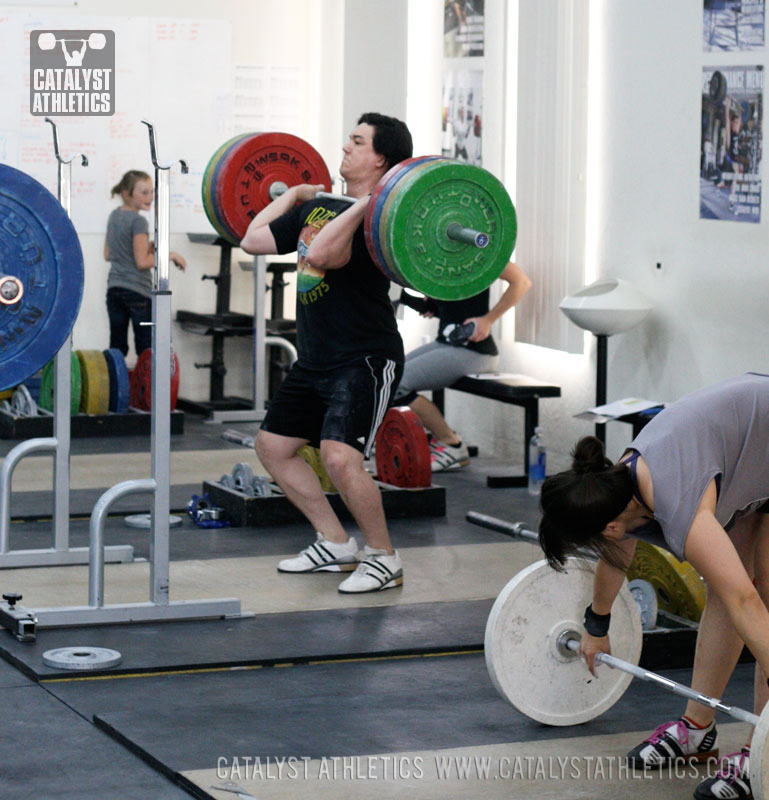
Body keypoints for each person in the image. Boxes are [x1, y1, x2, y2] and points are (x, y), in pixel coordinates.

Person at [538, 373, 769, 800]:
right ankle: (698, 728)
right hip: (749, 450)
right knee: (725, 588)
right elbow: (616, 557)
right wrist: (596, 625)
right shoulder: (619, 487)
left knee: (758, 602)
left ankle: (763, 754)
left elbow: (746, 602)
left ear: (608, 526)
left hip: (763, 436)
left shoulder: (678, 504)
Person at [239, 113, 413, 594]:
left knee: (340, 459)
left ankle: (383, 556)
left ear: (381, 158)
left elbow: (321, 256)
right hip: (315, 356)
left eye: (357, 143)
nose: (345, 148)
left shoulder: (382, 218)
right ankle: (335, 542)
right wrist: (293, 198)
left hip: (365, 357)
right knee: (272, 447)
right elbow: (252, 239)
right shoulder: (321, 207)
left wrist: (369, 202)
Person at [392, 262, 531, 472]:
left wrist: (488, 320)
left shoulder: (479, 254)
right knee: (390, 376)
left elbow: (522, 282)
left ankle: (451, 444)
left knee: (397, 383)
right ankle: (444, 438)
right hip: (447, 343)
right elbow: (448, 308)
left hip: (474, 352)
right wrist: (417, 301)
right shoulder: (438, 258)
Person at [104, 171, 186, 357]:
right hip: (137, 293)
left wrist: (145, 249)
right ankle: (148, 387)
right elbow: (142, 263)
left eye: (151, 191)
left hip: (114, 290)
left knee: (117, 346)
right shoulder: (138, 221)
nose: (150, 197)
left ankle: (115, 385)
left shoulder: (113, 216)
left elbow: (108, 254)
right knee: (146, 347)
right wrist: (170, 255)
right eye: (143, 192)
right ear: (127, 194)